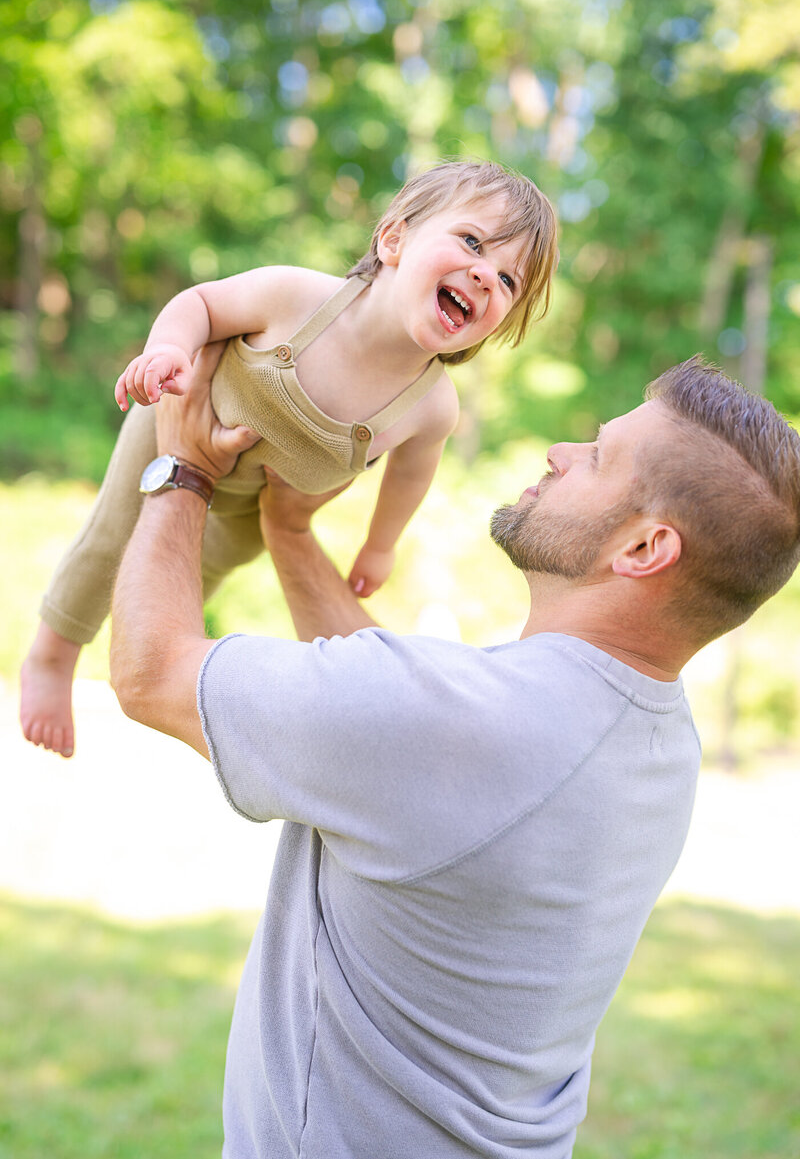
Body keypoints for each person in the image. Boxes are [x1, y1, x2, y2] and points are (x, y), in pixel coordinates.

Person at [109, 352, 800, 1158]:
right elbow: (402, 745)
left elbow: (151, 674)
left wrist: (183, 468)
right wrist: (289, 533)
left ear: (645, 548)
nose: (560, 454)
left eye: (598, 457)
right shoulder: (658, 739)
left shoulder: (461, 725)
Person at [19, 159, 559, 759]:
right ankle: (51, 655)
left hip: (255, 507)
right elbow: (201, 303)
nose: (486, 275)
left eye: (510, 281)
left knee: (191, 578)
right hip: (174, 427)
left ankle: (148, 657)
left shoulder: (430, 406)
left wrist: (381, 544)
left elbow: (411, 474)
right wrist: (169, 350)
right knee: (112, 538)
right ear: (394, 238)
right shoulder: (295, 297)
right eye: (471, 242)